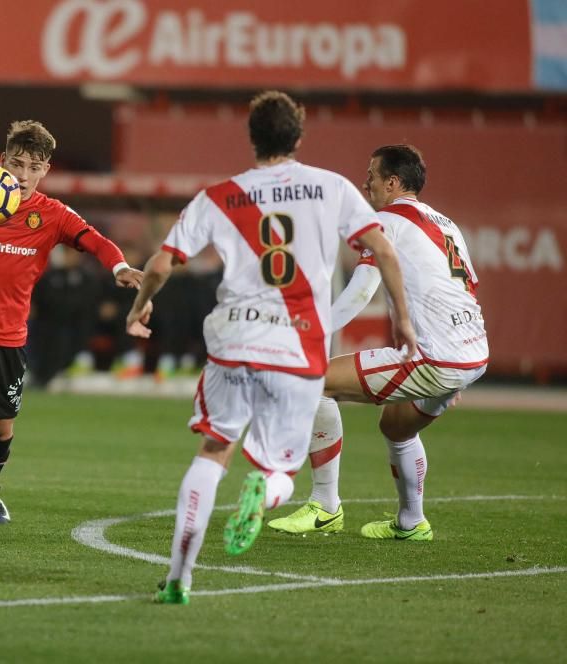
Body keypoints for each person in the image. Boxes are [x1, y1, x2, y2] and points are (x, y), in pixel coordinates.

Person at [124, 91, 417, 605]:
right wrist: (405, 322)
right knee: (280, 468)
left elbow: (162, 264)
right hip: (296, 345)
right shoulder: (333, 188)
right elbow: (385, 252)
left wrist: (139, 306)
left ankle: (178, 578)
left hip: (233, 339)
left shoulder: (220, 196)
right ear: (298, 137)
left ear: (252, 139)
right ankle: (267, 493)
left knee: (213, 451)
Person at [268, 144, 488, 540]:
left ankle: (325, 506)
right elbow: (467, 289)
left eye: (371, 175)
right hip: (470, 352)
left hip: (437, 356)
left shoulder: (386, 221)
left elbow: (361, 291)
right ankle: (411, 523)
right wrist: (458, 366)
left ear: (392, 182)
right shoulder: (446, 224)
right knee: (396, 428)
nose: (364, 182)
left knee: (312, 382)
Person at [0, 120, 143, 524]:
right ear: (2, 162)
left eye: (33, 167)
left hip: (10, 339)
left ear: (45, 170)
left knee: (0, 430)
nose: (23, 175)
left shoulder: (51, 215)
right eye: (16, 164)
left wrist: (117, 264)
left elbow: (95, 240)